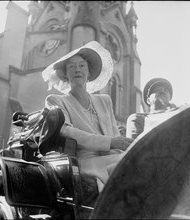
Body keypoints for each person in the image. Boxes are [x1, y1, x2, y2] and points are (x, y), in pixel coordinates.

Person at [42, 41, 133, 192]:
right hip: (83, 162)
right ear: (65, 74)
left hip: (112, 155)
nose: (77, 69)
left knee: (139, 159)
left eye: (81, 65)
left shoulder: (105, 101)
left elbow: (116, 134)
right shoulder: (56, 100)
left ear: (89, 72)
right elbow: (66, 131)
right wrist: (111, 142)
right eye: (71, 66)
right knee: (123, 163)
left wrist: (123, 146)